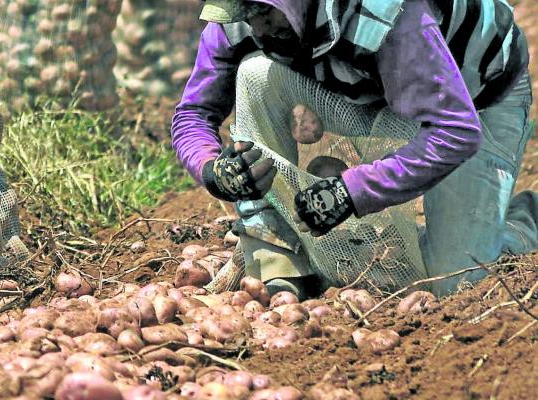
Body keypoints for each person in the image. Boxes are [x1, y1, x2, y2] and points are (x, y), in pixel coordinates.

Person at [171, 0, 538, 297]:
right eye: (248, 15)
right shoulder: (239, 18)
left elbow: (455, 132)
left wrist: (351, 191)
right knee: (254, 72)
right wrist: (212, 170)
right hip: (372, 87)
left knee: (455, 280)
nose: (260, 28)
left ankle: (522, 222)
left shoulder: (391, 13)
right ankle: (276, 257)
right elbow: (193, 112)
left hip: (475, 100)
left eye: (265, 11)